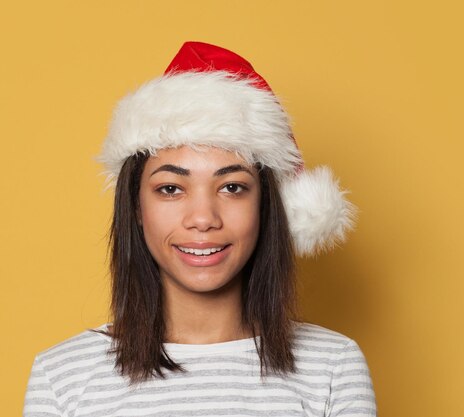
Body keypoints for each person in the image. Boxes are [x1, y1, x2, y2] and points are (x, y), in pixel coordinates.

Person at [23, 41, 377, 417]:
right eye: (171, 189)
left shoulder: (332, 367)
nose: (203, 218)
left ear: (266, 207)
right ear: (137, 208)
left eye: (232, 187)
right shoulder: (62, 376)